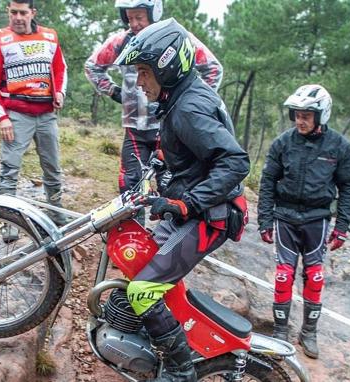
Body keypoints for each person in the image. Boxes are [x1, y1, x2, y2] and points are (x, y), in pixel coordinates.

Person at [115, 19, 250, 382]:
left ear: (167, 66)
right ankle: (155, 337)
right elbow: (191, 153)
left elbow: (236, 162)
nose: (138, 81)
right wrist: (160, 166)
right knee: (141, 269)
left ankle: (180, 369)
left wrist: (187, 203)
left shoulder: (188, 106)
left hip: (211, 216)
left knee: (142, 290)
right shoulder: (179, 97)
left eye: (143, 71)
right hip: (193, 208)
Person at [85, 0, 223, 205]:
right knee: (129, 185)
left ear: (153, 14)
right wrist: (114, 91)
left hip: (170, 127)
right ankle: (132, 235)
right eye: (129, 18)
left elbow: (212, 68)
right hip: (135, 127)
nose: (134, 23)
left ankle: (170, 232)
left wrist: (195, 103)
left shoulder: (176, 38)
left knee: (171, 186)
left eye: (139, 17)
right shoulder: (122, 42)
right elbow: (92, 66)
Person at [257, 84, 350, 358]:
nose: (299, 120)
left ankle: (309, 332)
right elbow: (267, 181)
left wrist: (342, 227)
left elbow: (349, 186)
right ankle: (280, 331)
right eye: (296, 114)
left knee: (314, 277)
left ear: (321, 115)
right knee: (283, 275)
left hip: (317, 218)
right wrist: (264, 219)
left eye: (306, 115)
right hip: (285, 217)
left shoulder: (339, 146)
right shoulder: (282, 143)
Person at [0, 0, 69, 240]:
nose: (18, 17)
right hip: (17, 115)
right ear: (8, 12)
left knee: (52, 169)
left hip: (46, 114)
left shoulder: (50, 37)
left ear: (33, 13)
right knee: (9, 170)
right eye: (13, 12)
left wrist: (60, 91)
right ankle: (8, 223)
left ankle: (57, 217)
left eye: (23, 12)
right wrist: (2, 118)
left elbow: (60, 68)